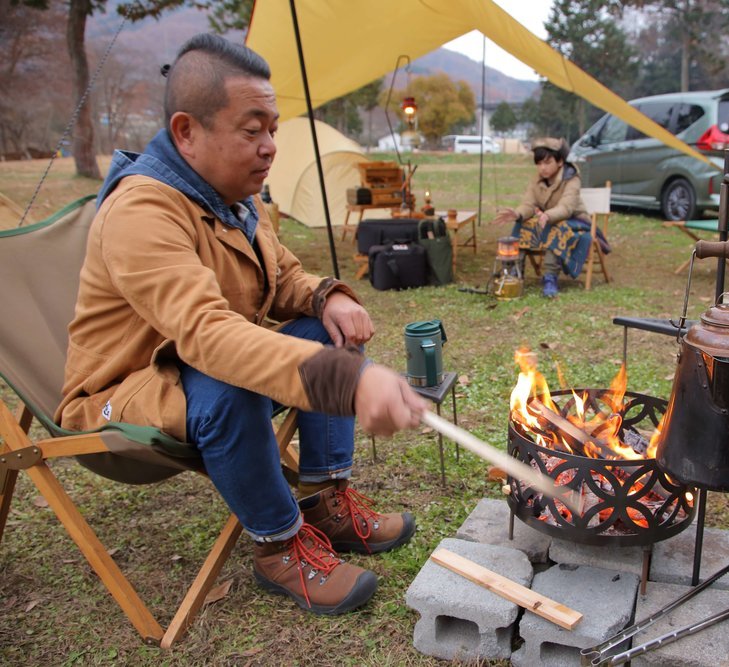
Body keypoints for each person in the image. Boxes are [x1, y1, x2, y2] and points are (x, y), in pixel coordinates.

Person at [56, 34, 427, 616]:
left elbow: (280, 280)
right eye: (251, 130)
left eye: (273, 129)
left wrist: (325, 296)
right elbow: (205, 333)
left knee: (328, 338)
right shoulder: (143, 210)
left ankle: (326, 500)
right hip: (123, 392)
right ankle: (278, 547)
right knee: (231, 378)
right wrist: (343, 381)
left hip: (193, 373)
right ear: (186, 132)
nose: (270, 147)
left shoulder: (234, 200)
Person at [492, 137, 599, 297]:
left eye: (547, 162)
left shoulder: (571, 179)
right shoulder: (537, 180)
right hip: (548, 219)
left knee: (556, 228)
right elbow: (529, 203)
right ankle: (514, 271)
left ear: (560, 161)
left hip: (576, 221)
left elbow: (566, 207)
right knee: (522, 225)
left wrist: (547, 216)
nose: (543, 168)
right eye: (539, 163)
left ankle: (550, 277)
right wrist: (518, 213)